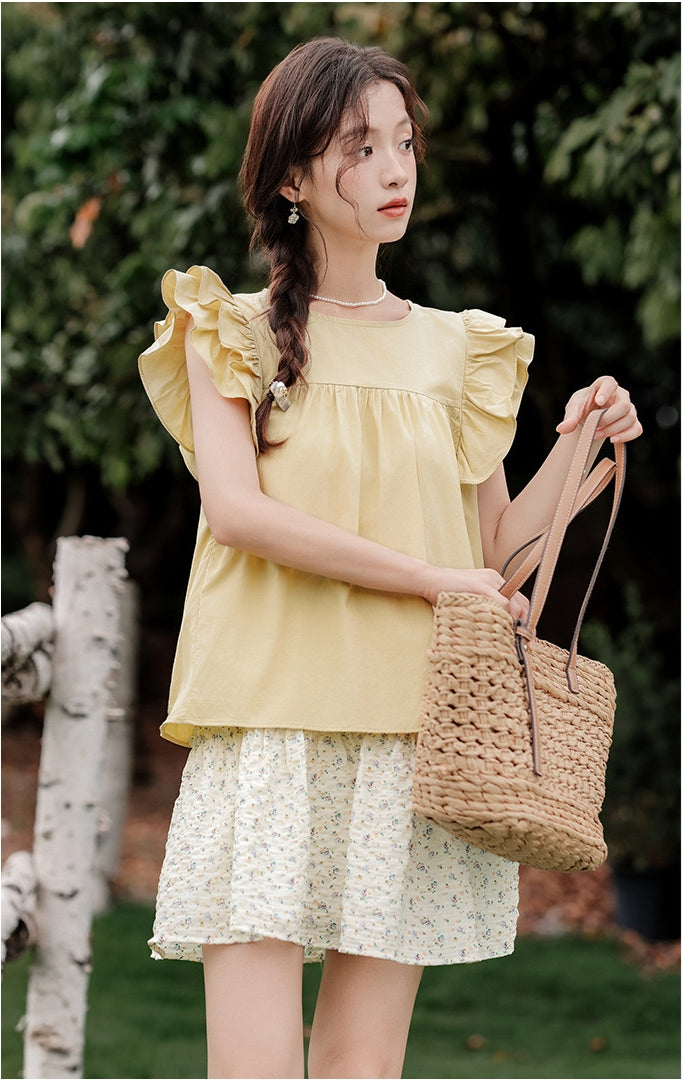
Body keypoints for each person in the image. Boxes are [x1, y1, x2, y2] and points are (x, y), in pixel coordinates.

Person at [138, 37, 642, 1080]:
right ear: (290, 177)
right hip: (269, 731)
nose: (394, 168)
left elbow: (492, 550)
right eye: (359, 147)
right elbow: (237, 515)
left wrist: (579, 441)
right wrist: (431, 579)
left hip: (412, 741)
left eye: (402, 142)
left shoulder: (458, 349)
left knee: (362, 1071)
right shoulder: (224, 328)